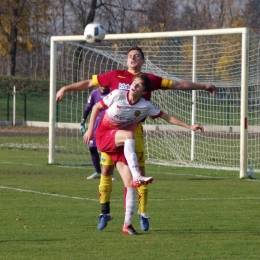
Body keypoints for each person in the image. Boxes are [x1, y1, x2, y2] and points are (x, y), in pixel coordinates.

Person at [56, 46, 217, 232]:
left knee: (137, 174)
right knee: (106, 169)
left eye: (137, 56)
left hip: (134, 131)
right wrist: (65, 88)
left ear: (143, 61)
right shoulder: (115, 76)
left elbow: (178, 85)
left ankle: (141, 213)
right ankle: (104, 212)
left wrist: (203, 86)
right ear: (127, 60)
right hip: (110, 131)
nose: (132, 58)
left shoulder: (150, 80)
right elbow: (89, 84)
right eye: (130, 55)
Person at [83, 73, 204, 235]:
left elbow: (167, 117)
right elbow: (97, 107)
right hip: (104, 135)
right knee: (129, 136)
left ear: (144, 90)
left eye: (139, 85)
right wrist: (90, 129)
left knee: (130, 184)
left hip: (118, 144)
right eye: (134, 83)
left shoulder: (145, 106)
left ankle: (127, 224)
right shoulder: (118, 94)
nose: (134, 86)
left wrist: (188, 126)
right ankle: (136, 175)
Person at [78, 86, 115, 180]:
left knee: (107, 148)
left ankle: (109, 173)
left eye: (105, 84)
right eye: (101, 84)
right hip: (95, 124)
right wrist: (83, 122)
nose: (103, 86)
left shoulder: (113, 92)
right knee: (92, 147)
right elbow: (88, 106)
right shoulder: (94, 93)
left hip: (108, 124)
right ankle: (98, 172)